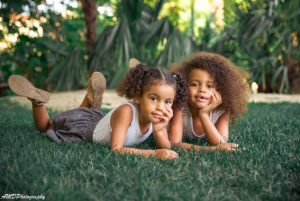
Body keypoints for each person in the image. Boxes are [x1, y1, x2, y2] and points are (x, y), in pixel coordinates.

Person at [8, 60, 187, 160]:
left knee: (84, 114)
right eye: (154, 98)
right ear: (138, 96)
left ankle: (91, 98)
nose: (161, 107)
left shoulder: (157, 118)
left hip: (100, 121)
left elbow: (167, 148)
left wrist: (159, 129)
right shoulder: (127, 112)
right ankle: (37, 101)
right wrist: (154, 154)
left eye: (167, 102)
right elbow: (116, 149)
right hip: (87, 130)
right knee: (47, 127)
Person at [169, 52, 248, 151]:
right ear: (184, 86)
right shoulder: (180, 107)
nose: (202, 90)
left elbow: (221, 143)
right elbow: (175, 143)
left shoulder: (222, 112)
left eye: (209, 86)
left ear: (220, 90)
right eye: (194, 84)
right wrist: (210, 149)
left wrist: (204, 114)